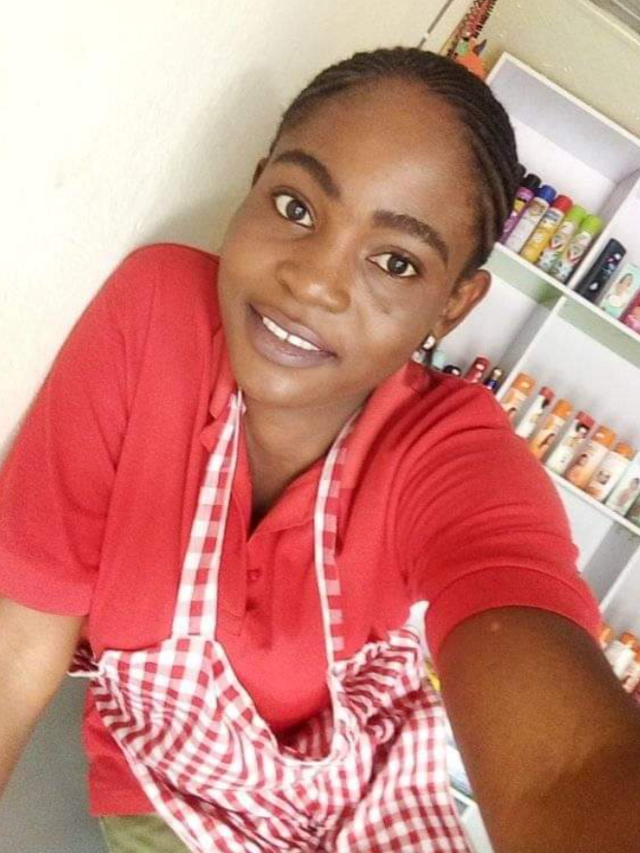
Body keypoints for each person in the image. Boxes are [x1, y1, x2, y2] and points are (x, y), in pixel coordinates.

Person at [1, 47, 639, 853]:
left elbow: (569, 772)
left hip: (364, 808)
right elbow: (19, 639)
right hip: (165, 800)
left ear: (453, 305)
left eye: (396, 262)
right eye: (296, 206)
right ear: (255, 185)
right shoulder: (155, 320)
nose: (314, 281)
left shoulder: (447, 454)